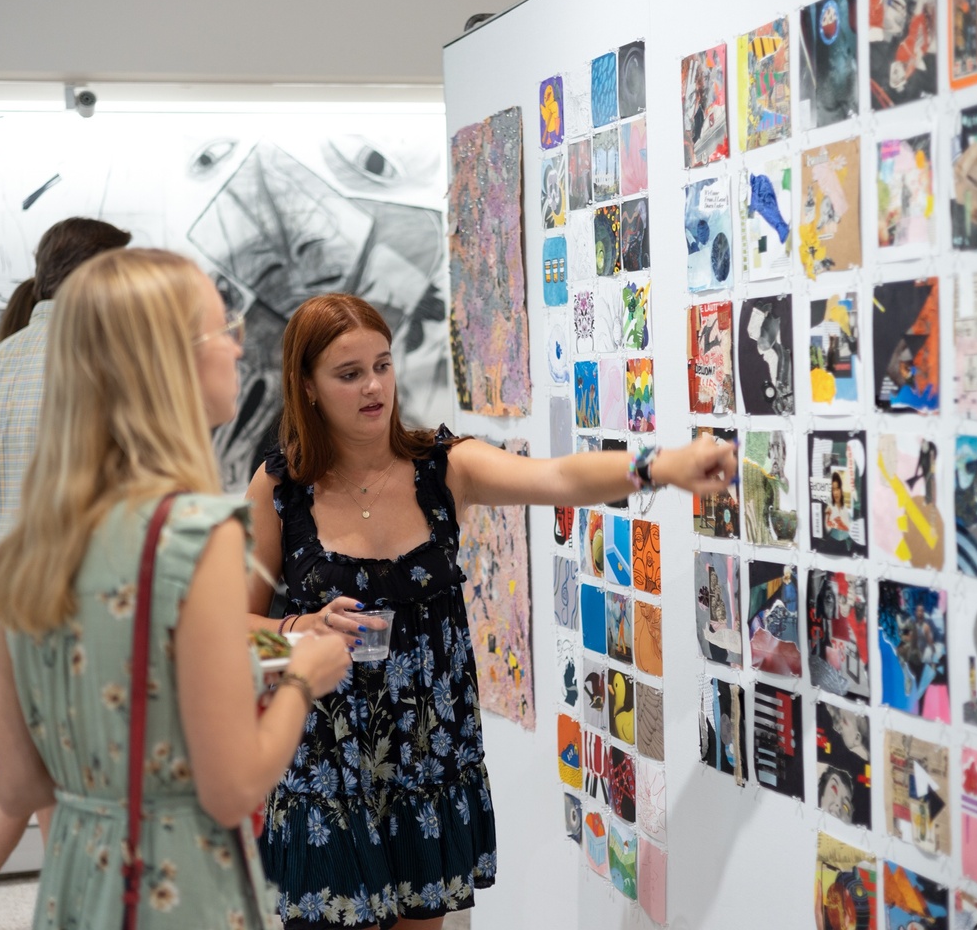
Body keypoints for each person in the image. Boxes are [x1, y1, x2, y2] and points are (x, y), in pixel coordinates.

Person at [245, 293, 737, 929]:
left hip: (432, 766)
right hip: (325, 772)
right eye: (348, 374)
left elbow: (557, 477)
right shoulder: (281, 489)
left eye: (383, 365)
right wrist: (294, 630)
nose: (374, 387)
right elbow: (234, 633)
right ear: (306, 387)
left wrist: (663, 466)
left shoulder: (443, 468)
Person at [0, 248, 352, 929]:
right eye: (223, 330)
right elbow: (232, 787)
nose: (239, 350)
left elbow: (17, 783)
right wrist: (304, 675)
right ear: (171, 362)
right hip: (178, 889)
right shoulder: (194, 533)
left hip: (77, 883)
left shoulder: (33, 542)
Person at [0, 217, 131, 930]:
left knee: (35, 779)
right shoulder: (104, 362)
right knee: (79, 782)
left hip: (7, 593)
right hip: (80, 597)